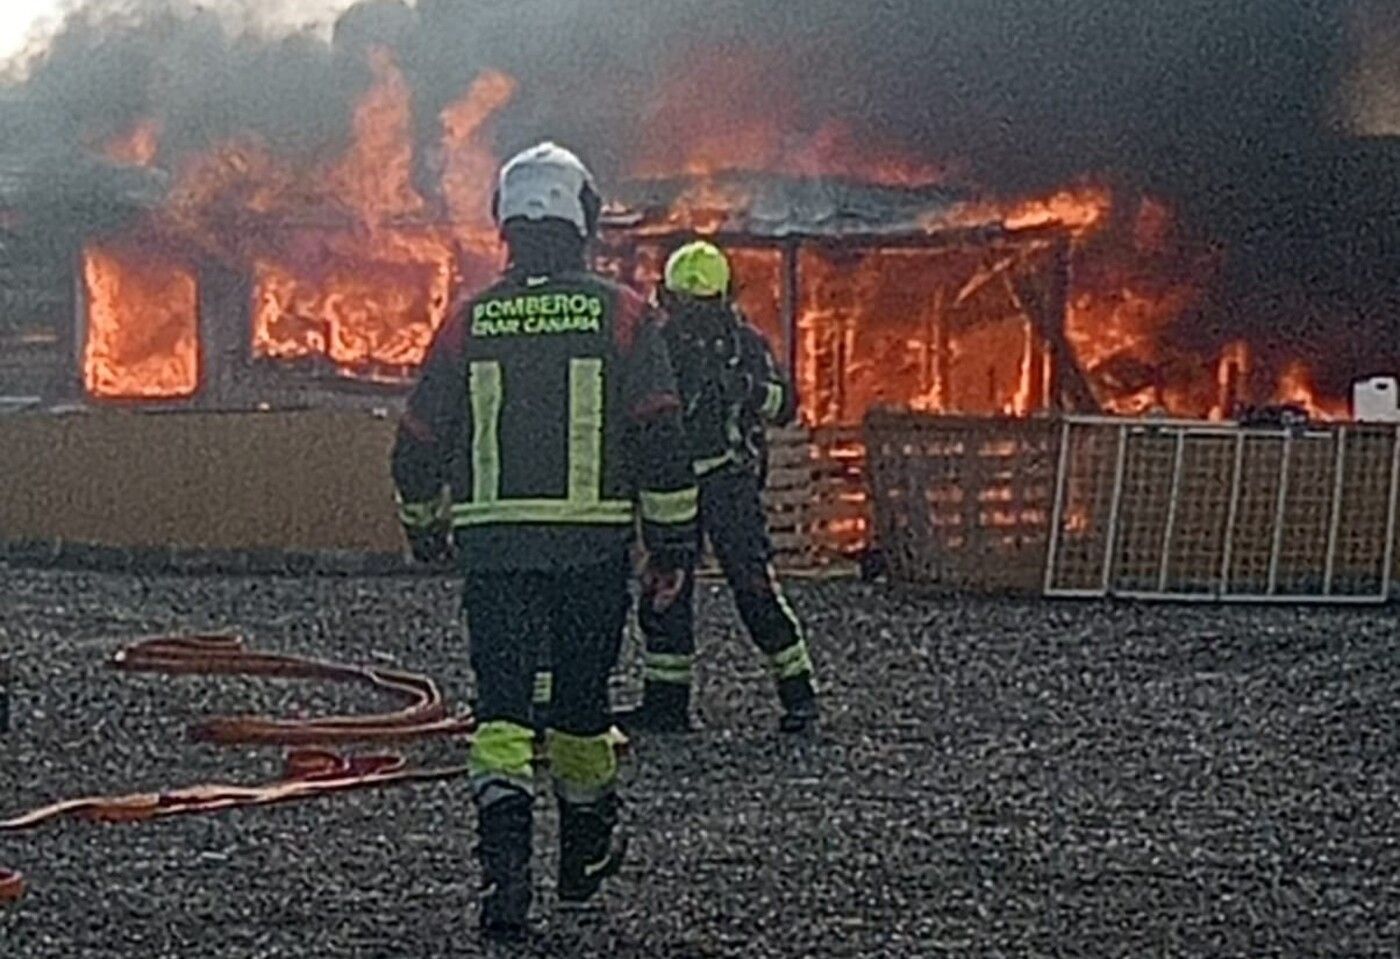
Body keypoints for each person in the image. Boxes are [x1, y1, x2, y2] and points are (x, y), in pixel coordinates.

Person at [391, 142, 697, 940]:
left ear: (507, 226)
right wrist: (670, 549)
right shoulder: (626, 315)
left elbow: (418, 442)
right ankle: (583, 859)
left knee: (500, 712)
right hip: (592, 551)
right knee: (581, 711)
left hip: (494, 552)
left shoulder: (467, 322)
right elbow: (661, 438)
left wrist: (426, 529)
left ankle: (504, 879)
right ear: (582, 221)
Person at [617, 240, 819, 735]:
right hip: (675, 483)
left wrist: (746, 389)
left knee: (753, 585)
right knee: (666, 589)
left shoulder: (744, 345)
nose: (689, 319)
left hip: (729, 482)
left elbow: (786, 405)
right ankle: (667, 703)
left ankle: (799, 693)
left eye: (696, 306)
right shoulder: (654, 345)